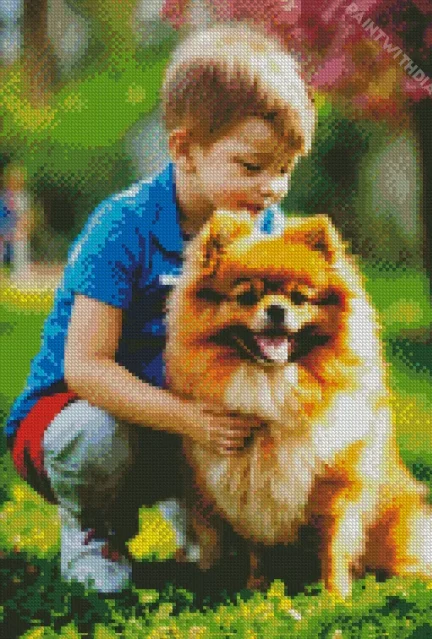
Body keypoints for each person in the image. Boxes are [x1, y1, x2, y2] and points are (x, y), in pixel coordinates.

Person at [4, 21, 316, 594]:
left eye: (285, 171)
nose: (272, 188)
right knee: (95, 435)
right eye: (252, 167)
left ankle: (202, 510)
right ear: (183, 150)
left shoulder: (262, 226)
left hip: (178, 419)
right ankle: (91, 527)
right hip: (72, 420)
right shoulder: (123, 227)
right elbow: (87, 369)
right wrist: (192, 421)